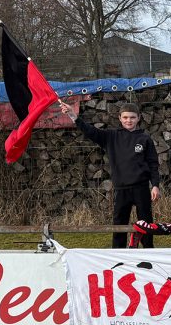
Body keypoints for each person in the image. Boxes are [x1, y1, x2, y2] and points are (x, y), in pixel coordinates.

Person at [59, 100, 160, 248]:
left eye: (132, 117)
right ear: (120, 118)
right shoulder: (111, 137)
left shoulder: (145, 139)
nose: (129, 120)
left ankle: (148, 253)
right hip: (121, 189)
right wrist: (73, 115)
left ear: (138, 118)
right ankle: (117, 254)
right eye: (125, 117)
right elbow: (90, 131)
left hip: (141, 188)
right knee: (119, 224)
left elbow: (153, 164)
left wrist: (155, 185)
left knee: (146, 224)